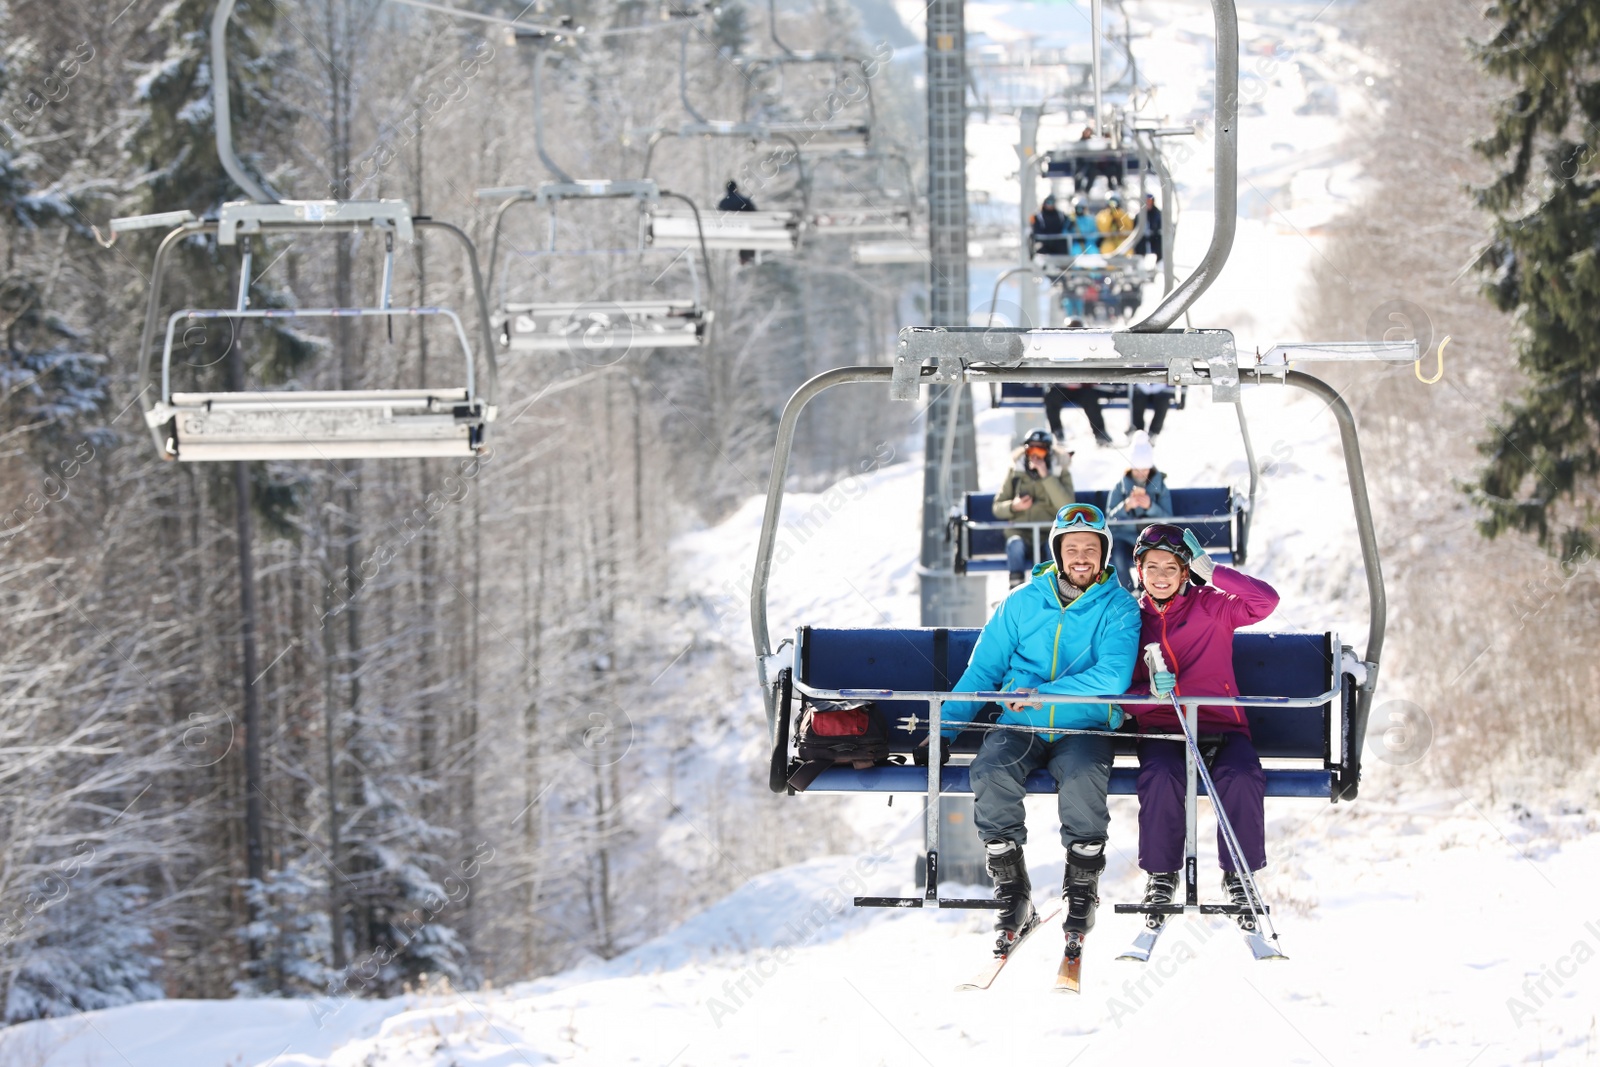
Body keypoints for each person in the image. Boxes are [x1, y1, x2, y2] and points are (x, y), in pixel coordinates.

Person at [930, 504, 1140, 955]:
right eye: (1071, 549)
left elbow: (1114, 676)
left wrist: (1045, 692)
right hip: (1020, 726)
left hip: (1084, 728)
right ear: (1057, 553)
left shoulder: (1119, 606)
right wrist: (943, 731)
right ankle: (1013, 890)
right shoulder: (1024, 601)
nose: (1080, 558)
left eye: (1090, 548)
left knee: (1084, 779)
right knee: (990, 771)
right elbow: (983, 671)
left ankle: (1081, 891)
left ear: (1103, 554)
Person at [1122, 523, 1279, 933]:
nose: (1160, 577)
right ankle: (1162, 875)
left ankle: (1238, 875)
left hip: (1221, 723)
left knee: (1242, 774)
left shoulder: (1211, 605)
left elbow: (1265, 601)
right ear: (1139, 571)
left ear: (1185, 571)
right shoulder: (1128, 619)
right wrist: (1146, 695)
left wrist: (1212, 571)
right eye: (1151, 567)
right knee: (1160, 775)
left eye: (1170, 568)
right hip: (1163, 728)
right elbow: (1114, 683)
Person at [992, 428, 1075, 588]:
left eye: (1040, 450)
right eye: (1030, 450)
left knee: (1053, 548)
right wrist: (1014, 506)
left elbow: (1067, 507)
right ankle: (1015, 589)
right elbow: (997, 507)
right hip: (1021, 532)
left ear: (1049, 452)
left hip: (1048, 532)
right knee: (1014, 545)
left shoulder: (1060, 472)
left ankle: (1052, 590)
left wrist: (1046, 477)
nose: (1035, 456)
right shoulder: (1016, 471)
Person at [1105, 431, 1173, 588]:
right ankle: (1128, 591)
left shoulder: (1160, 487)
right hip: (1124, 537)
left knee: (1150, 558)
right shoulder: (1119, 488)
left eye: (1144, 470)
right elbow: (1108, 520)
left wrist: (1151, 507)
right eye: (1136, 470)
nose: (1140, 475)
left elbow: (1168, 520)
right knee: (1119, 557)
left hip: (1151, 539)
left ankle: (1145, 590)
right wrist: (1126, 506)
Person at [1045, 381, 1113, 448]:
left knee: (1090, 400)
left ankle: (1100, 433)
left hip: (1082, 389)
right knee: (1051, 399)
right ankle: (1057, 431)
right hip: (1061, 388)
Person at [717, 180, 758, 265]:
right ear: (737, 189)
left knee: (743, 233)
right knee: (747, 234)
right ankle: (747, 258)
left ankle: (745, 259)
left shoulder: (722, 203)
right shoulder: (745, 201)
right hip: (744, 231)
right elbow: (756, 214)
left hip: (727, 231)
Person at [1136, 193, 1163, 260]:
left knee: (1158, 240)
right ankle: (1140, 259)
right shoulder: (1139, 215)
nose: (1148, 204)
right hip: (1143, 239)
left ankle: (1159, 260)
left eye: (1150, 201)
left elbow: (1160, 226)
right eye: (1146, 202)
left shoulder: (1157, 214)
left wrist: (1154, 230)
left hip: (1155, 237)